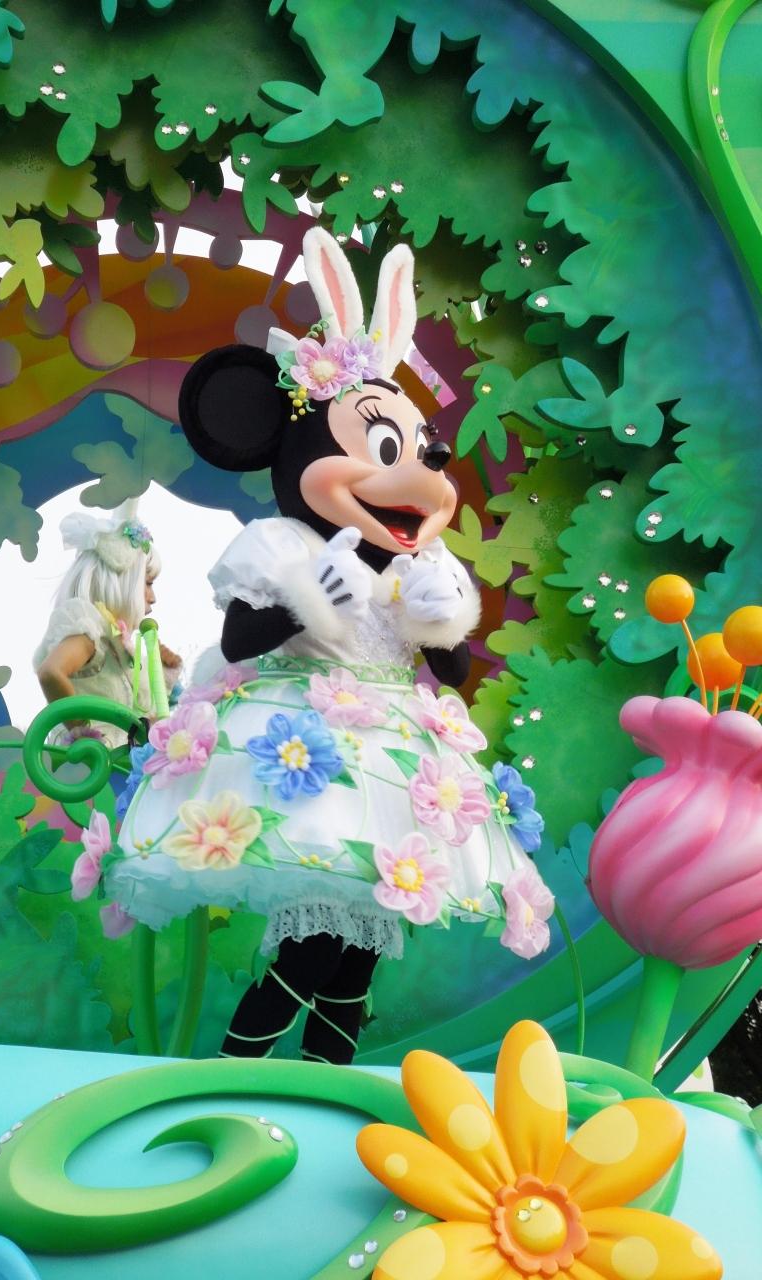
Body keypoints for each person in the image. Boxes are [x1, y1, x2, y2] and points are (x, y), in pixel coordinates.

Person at [103, 229, 551, 1064]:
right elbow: (241, 637)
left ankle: (324, 1081)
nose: (418, 473)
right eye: (384, 448)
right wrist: (308, 602)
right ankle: (236, 1072)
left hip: (396, 762)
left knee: (362, 949)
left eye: (419, 452)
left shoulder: (422, 565)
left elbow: (450, 670)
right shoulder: (284, 546)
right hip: (303, 753)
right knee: (314, 948)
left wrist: (439, 622)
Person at [34, 502, 181, 749]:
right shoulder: (89, 630)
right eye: (147, 583)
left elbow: (140, 713)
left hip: (120, 762)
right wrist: (83, 734)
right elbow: (50, 673)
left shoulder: (118, 646)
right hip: (93, 765)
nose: (153, 597)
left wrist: (164, 675)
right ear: (120, 583)